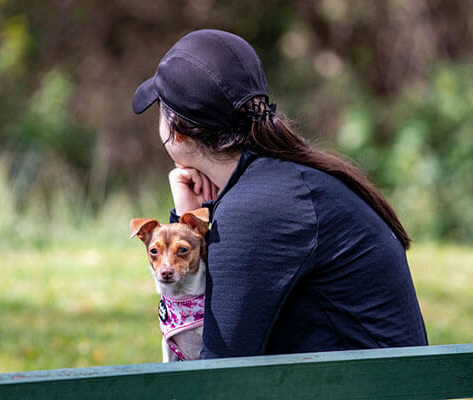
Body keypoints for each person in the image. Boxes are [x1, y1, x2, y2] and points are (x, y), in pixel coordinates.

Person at [132, 29, 428, 359]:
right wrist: (189, 221)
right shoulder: (282, 181)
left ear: (178, 133)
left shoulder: (257, 209)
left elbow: (217, 374)